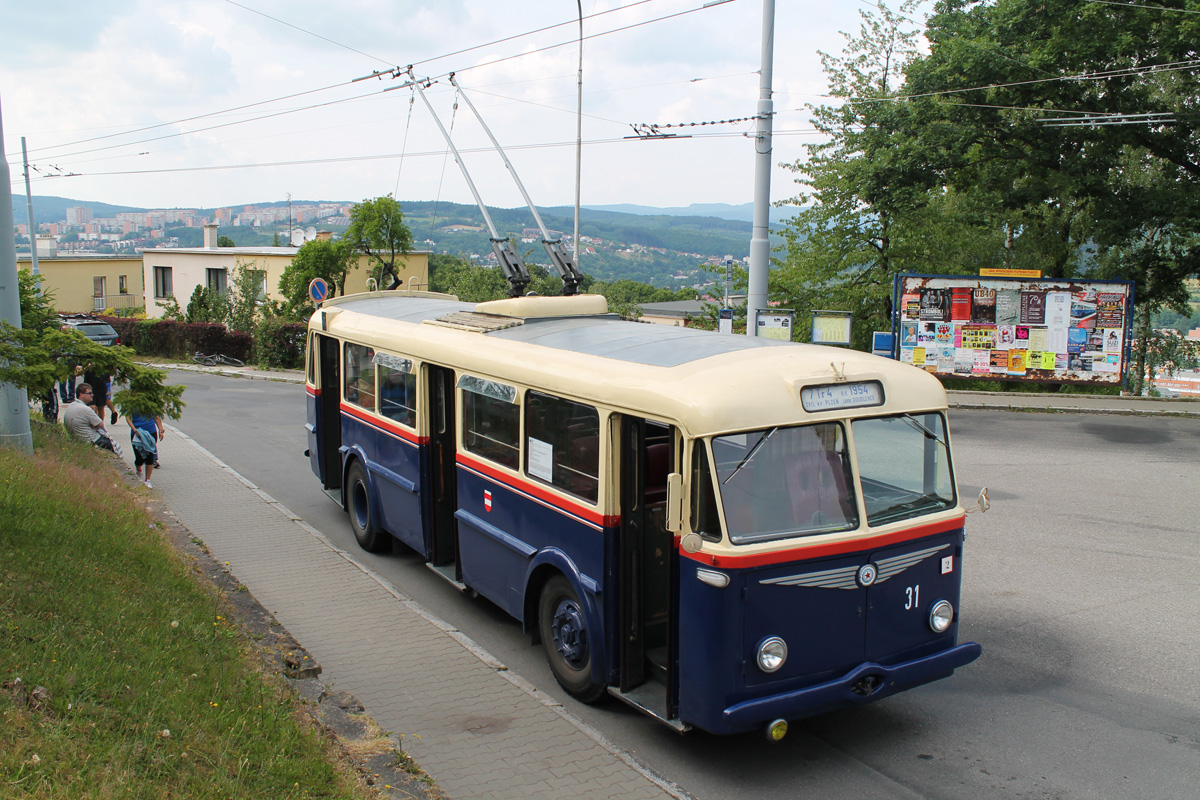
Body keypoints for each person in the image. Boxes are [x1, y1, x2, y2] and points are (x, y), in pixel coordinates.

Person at [62, 383, 122, 455]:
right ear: (81, 395)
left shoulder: (72, 405)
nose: (92, 395)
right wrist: (93, 425)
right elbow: (100, 424)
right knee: (114, 446)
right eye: (89, 393)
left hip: (77, 438)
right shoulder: (86, 409)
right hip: (92, 440)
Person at [126, 411, 163, 488]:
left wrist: (160, 430)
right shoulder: (132, 403)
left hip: (151, 431)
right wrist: (134, 430)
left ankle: (147, 480)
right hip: (137, 432)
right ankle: (138, 469)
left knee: (150, 456)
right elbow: (128, 417)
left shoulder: (150, 402)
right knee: (139, 457)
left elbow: (156, 416)